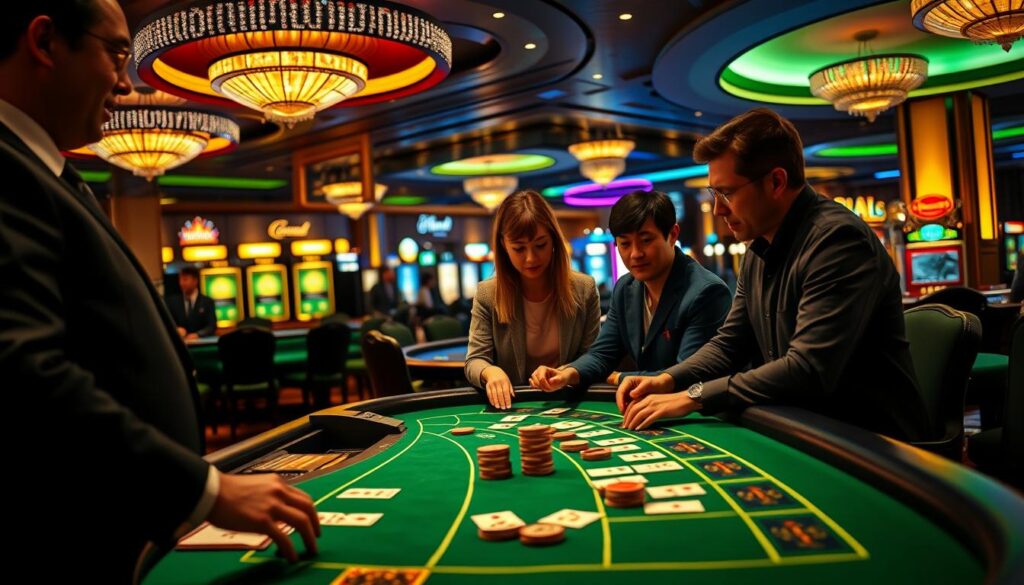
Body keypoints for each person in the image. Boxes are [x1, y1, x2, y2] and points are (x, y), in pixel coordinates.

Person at [0, 2, 319, 580]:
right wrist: (206, 490)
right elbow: (22, 368)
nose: (125, 83)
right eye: (117, 53)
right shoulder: (9, 170)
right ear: (45, 42)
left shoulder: (45, 172)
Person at [616, 108, 929, 441]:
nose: (719, 209)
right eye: (714, 195)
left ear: (777, 181)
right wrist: (667, 379)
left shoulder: (837, 241)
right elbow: (728, 345)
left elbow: (808, 368)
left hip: (876, 443)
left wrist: (694, 396)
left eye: (727, 193)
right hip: (806, 424)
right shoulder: (758, 250)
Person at [530, 190, 731, 392]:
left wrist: (620, 377)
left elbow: (685, 373)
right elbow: (602, 354)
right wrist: (567, 373)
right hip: (648, 405)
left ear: (672, 235)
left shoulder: (706, 292)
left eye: (646, 240)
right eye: (624, 244)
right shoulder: (626, 288)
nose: (635, 254)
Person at [465, 190, 601, 409]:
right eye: (519, 248)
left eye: (540, 245)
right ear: (503, 246)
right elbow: (474, 361)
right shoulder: (487, 294)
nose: (531, 258)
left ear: (554, 240)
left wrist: (564, 373)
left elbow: (594, 357)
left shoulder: (584, 289)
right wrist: (491, 372)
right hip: (512, 408)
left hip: (570, 403)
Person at [164, 266, 217, 339]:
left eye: (185, 280)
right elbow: (167, 323)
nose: (182, 283)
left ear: (195, 281)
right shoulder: (172, 302)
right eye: (180, 280)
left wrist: (198, 334)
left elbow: (211, 326)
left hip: (201, 343)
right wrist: (176, 330)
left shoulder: (207, 302)